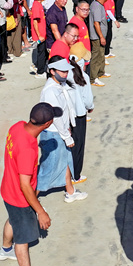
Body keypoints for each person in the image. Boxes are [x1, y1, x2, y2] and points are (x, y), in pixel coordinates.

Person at [0, 103, 58, 266]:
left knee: (13, 220)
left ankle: (5, 249)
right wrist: (41, 212)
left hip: (7, 189)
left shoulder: (16, 126)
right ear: (47, 124)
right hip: (20, 198)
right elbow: (25, 185)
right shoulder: (28, 150)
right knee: (22, 240)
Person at [37, 57, 87, 203]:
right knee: (48, 168)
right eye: (62, 71)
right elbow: (56, 117)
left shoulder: (60, 85)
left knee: (65, 161)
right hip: (53, 134)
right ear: (52, 71)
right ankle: (31, 201)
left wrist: (68, 127)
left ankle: (70, 192)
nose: (65, 73)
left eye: (66, 71)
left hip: (60, 132)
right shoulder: (50, 91)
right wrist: (66, 136)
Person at [65, 54, 93, 184]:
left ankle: (67, 173)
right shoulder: (83, 77)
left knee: (69, 145)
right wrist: (90, 107)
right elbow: (88, 100)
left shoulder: (66, 75)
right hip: (79, 115)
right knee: (78, 146)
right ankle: (75, 175)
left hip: (67, 115)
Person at [89, 0, 110, 86]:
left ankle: (100, 72)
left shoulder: (97, 4)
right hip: (97, 37)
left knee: (101, 55)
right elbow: (96, 23)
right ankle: (93, 78)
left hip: (100, 36)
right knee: (96, 57)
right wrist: (101, 36)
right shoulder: (97, 7)